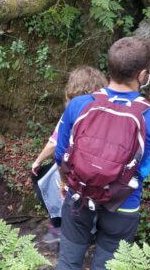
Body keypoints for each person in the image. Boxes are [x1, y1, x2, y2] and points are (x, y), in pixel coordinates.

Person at [55, 36, 150, 269]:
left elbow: (60, 155)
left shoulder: (79, 104)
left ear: (110, 67)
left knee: (67, 262)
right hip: (123, 205)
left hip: (78, 196)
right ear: (143, 75)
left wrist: (66, 183)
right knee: (108, 264)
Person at [31, 66, 107, 245]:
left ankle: (58, 224)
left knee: (40, 177)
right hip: (102, 172)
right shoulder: (109, 109)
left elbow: (55, 143)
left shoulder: (74, 109)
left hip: (75, 169)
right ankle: (91, 230)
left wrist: (38, 161)